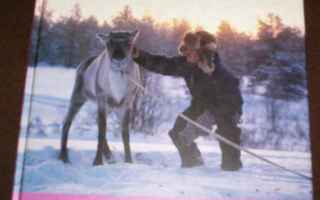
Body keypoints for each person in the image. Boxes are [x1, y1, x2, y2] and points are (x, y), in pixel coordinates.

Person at [133, 31, 243, 171]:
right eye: (185, 50)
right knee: (179, 131)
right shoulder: (187, 64)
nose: (186, 55)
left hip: (228, 107)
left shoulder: (218, 69)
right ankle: (193, 162)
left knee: (227, 133)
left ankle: (232, 168)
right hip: (201, 106)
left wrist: (211, 74)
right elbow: (163, 64)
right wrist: (138, 55)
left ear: (202, 52)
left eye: (190, 51)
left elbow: (230, 93)